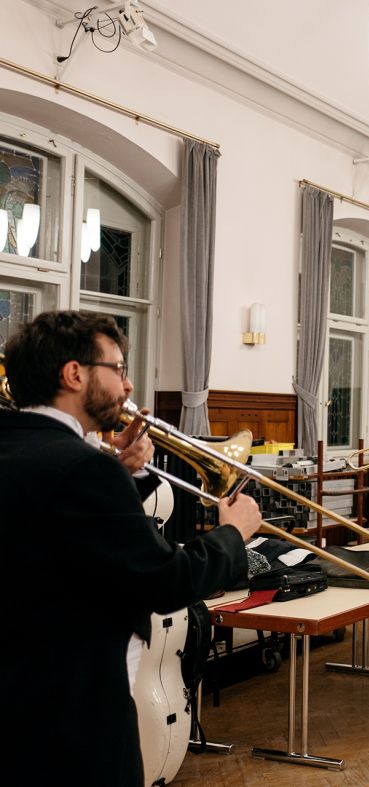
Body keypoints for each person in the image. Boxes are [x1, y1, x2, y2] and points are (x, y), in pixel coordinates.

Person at [0, 310, 262, 785]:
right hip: (74, 722)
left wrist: (122, 475)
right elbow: (165, 582)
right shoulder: (83, 469)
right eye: (118, 369)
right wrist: (233, 535)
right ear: (74, 374)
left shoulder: (24, 451)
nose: (127, 387)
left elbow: (59, 532)